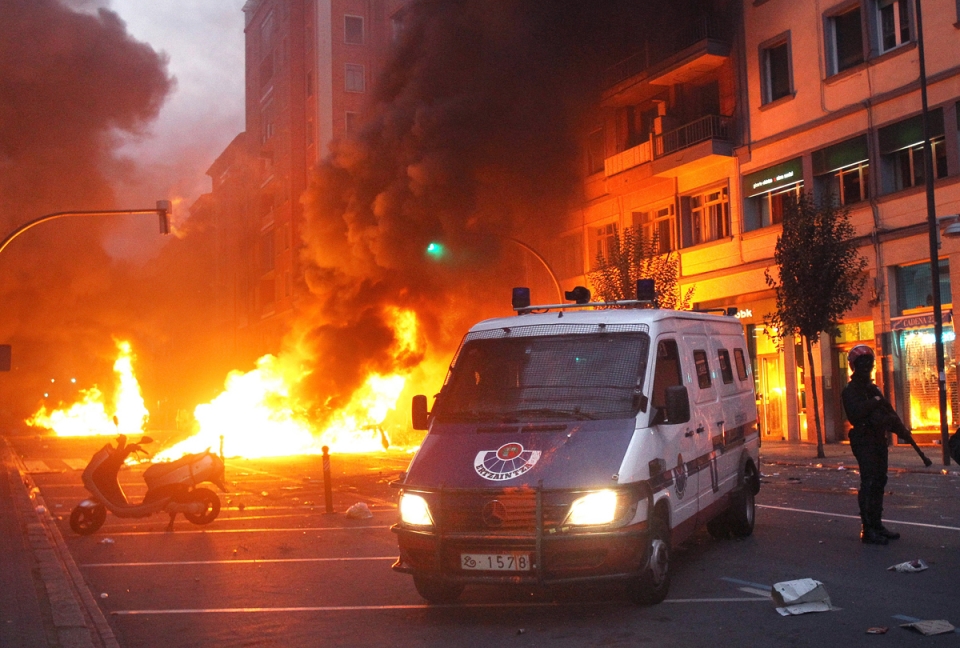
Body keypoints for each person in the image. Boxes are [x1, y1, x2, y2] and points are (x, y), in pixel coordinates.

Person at [841, 344, 911, 545]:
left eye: (869, 363)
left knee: (880, 481)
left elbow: (889, 414)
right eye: (861, 363)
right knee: (869, 482)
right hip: (864, 442)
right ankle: (868, 528)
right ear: (854, 366)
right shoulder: (851, 390)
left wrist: (902, 431)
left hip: (879, 440)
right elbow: (855, 414)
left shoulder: (873, 389)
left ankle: (877, 523)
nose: (866, 367)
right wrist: (875, 401)